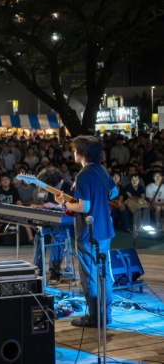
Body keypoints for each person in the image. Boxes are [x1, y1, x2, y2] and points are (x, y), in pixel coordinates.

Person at [57, 136, 118, 328]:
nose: (73, 153)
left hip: (88, 233)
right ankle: (105, 316)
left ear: (82, 153)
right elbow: (114, 193)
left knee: (90, 276)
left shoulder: (83, 176)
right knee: (103, 274)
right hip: (105, 230)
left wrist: (64, 203)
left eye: (75, 150)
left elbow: (84, 206)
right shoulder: (101, 170)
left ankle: (94, 317)